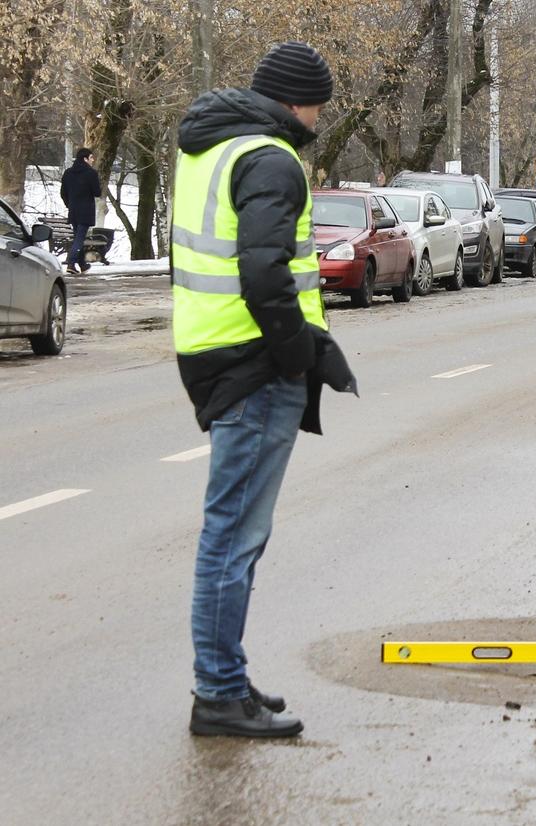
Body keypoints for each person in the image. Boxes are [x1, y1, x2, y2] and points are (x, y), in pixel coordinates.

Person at [172, 41, 357, 738]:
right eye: (317, 105)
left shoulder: (208, 150)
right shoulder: (271, 159)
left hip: (212, 352)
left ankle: (226, 676)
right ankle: (218, 692)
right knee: (233, 537)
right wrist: (293, 356)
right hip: (254, 367)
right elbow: (264, 269)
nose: (317, 118)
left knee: (233, 534)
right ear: (295, 102)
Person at [59, 147, 101, 274]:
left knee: (78, 236)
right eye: (91, 157)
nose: (93, 160)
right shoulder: (91, 173)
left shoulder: (68, 173)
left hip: (73, 210)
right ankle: (71, 263)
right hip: (86, 210)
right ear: (85, 159)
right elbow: (97, 192)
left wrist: (70, 204)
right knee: (79, 238)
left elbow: (63, 193)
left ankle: (82, 265)